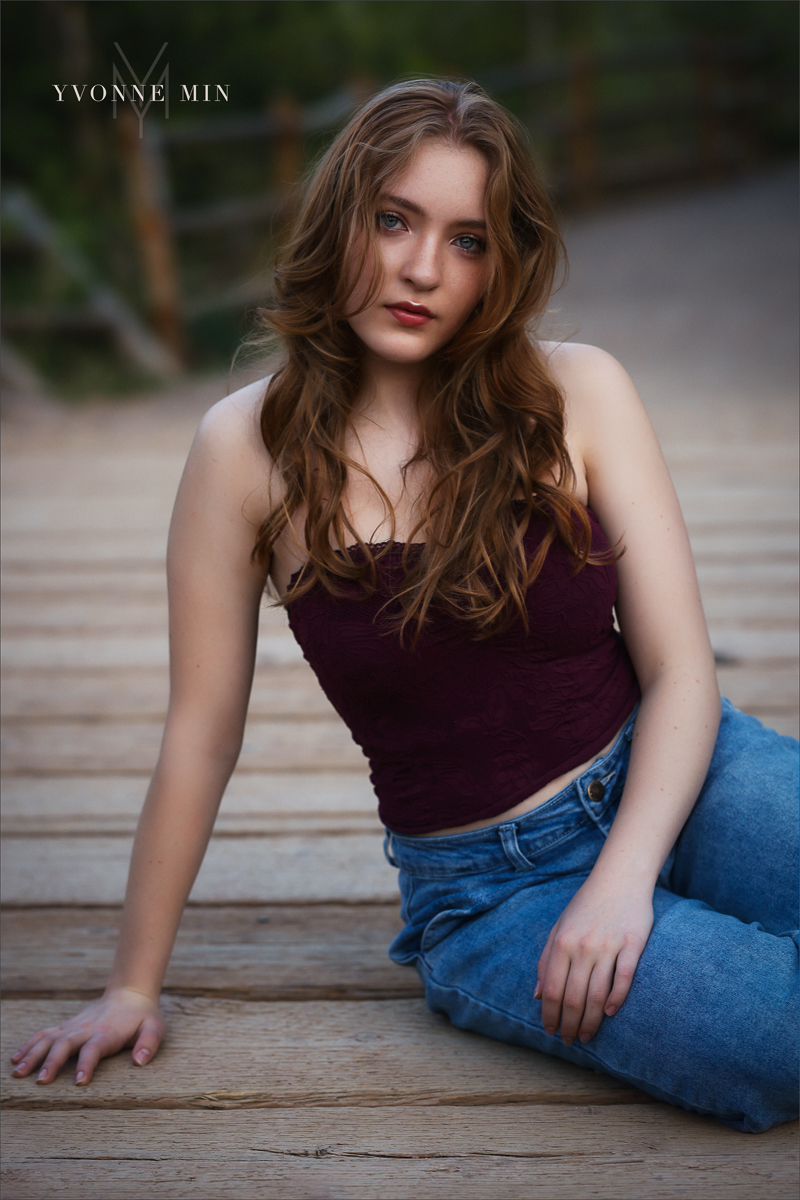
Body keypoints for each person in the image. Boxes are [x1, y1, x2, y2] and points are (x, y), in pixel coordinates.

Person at [10, 78, 798, 1133]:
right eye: (394, 221)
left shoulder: (579, 391)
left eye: (466, 240)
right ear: (342, 218)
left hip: (677, 772)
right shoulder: (242, 452)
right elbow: (201, 731)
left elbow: (680, 673)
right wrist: (131, 986)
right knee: (767, 1032)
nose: (422, 268)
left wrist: (622, 882)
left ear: (498, 265)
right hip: (493, 894)